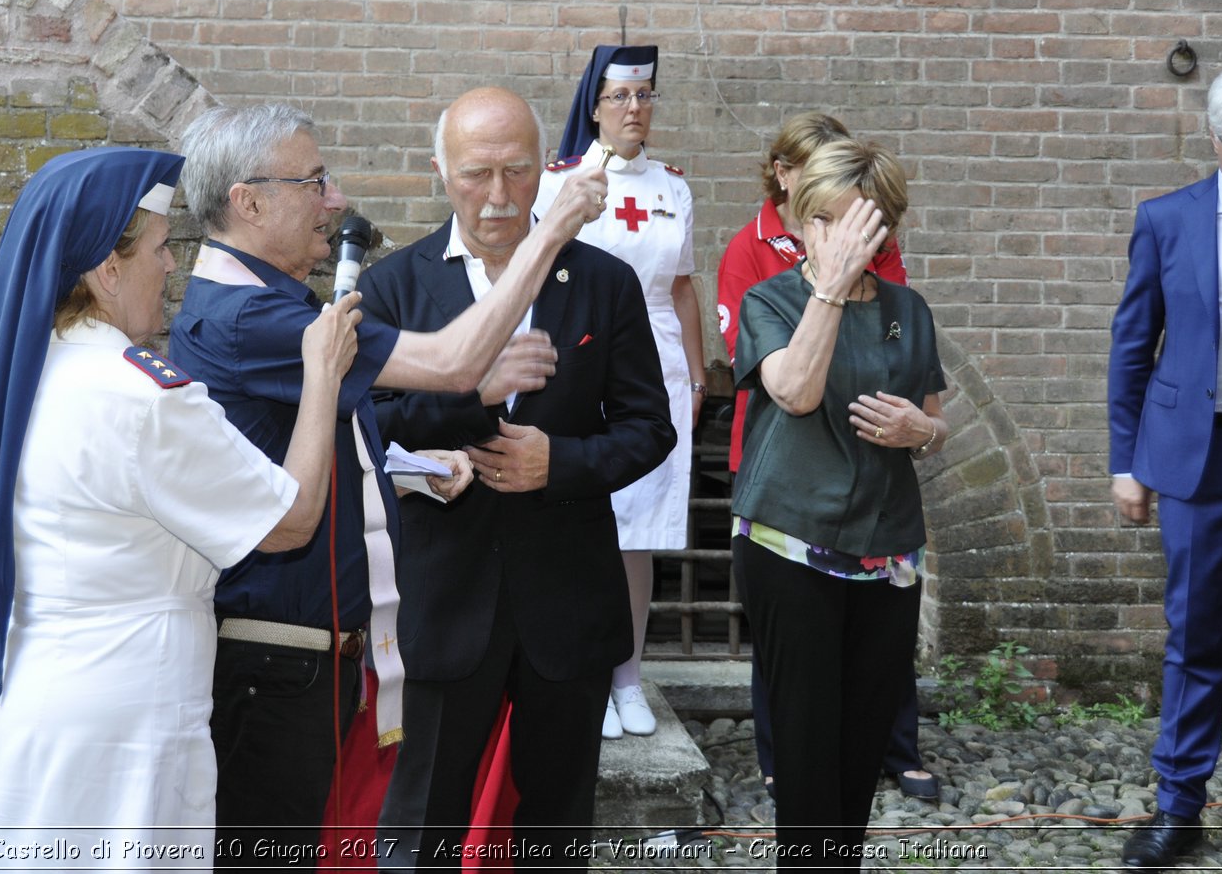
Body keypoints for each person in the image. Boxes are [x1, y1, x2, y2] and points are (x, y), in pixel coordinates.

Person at [166, 103, 610, 866]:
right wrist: (552, 230)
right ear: (249, 201)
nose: (334, 200)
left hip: (298, 651)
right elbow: (452, 363)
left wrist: (401, 477)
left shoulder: (264, 305)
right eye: (313, 182)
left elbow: (303, 446)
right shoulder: (253, 318)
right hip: (277, 658)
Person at [0, 147, 362, 870]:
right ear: (109, 267)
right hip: (118, 726)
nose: (172, 267)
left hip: (22, 705)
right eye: (163, 248)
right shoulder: (140, 395)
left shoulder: (31, 370)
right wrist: (320, 375)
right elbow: (289, 519)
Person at [363, 86, 676, 869]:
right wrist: (465, 394)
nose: (499, 197)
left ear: (547, 167)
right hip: (441, 600)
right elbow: (370, 425)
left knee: (557, 834)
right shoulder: (394, 287)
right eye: (476, 174)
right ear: (440, 170)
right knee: (420, 830)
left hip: (565, 599)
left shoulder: (602, 281)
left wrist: (558, 463)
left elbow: (651, 428)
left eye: (518, 171)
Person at [730, 140, 946, 868]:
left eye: (853, 223)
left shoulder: (907, 311)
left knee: (863, 739)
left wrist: (926, 431)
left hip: (888, 550)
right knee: (805, 739)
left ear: (883, 228)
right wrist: (828, 287)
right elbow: (794, 389)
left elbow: (934, 417)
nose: (832, 237)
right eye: (819, 220)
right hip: (791, 544)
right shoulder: (773, 299)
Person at [1109, 62, 1222, 870]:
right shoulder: (1167, 220)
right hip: (1199, 451)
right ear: (1214, 141)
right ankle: (1179, 807)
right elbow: (1131, 348)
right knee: (1195, 637)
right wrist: (1126, 462)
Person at [535, 43, 702, 739]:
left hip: (655, 363)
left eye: (646, 96)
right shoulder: (563, 182)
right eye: (621, 97)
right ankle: (585, 675)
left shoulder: (673, 185)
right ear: (594, 105)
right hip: (582, 358)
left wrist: (697, 374)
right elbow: (538, 270)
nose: (636, 110)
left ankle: (628, 676)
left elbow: (684, 286)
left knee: (640, 531)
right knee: (586, 524)